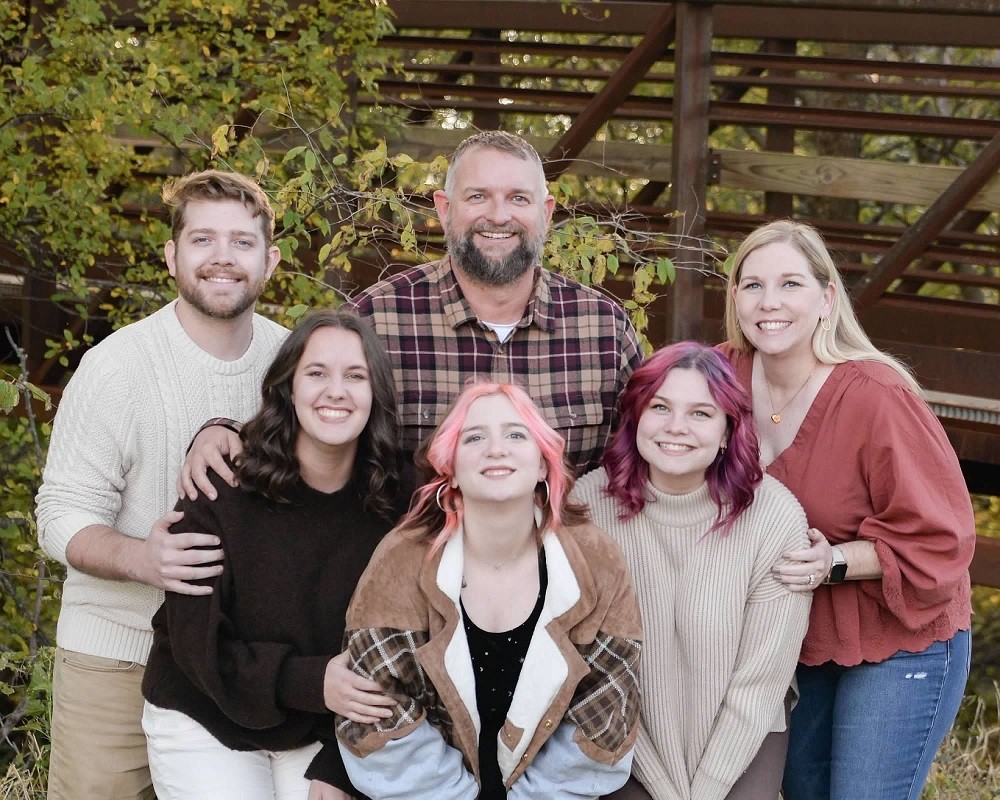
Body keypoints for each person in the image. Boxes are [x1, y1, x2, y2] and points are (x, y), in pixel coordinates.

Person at [178, 130, 642, 494]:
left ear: (546, 212)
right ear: (444, 209)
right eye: (477, 196)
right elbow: (301, 421)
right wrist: (224, 430)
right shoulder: (375, 321)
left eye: (518, 199)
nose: (498, 216)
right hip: (407, 587)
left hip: (565, 590)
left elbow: (646, 464)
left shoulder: (603, 329)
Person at [35, 169, 288, 799]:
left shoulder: (291, 368)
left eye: (242, 242)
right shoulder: (117, 367)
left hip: (235, 660)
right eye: (203, 240)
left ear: (271, 261)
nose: (222, 259)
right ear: (172, 255)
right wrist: (141, 557)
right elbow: (60, 514)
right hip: (114, 657)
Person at [720, 219, 974, 800]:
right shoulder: (720, 379)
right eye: (752, 285)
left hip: (898, 632)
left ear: (827, 298)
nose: (769, 302)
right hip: (791, 637)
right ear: (734, 297)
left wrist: (832, 560)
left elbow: (944, 539)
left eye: (789, 284)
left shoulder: (876, 395)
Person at [312, 382, 642, 800]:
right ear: (449, 465)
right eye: (474, 437)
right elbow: (378, 713)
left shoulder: (595, 561)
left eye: (516, 434)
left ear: (543, 464)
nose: (496, 448)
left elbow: (607, 713)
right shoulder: (401, 558)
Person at [140, 309, 401, 799]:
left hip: (325, 726)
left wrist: (343, 763)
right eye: (317, 373)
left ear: (375, 394)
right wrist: (305, 680)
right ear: (288, 387)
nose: (336, 391)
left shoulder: (398, 501)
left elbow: (410, 649)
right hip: (207, 711)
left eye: (355, 375)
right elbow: (197, 645)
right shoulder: (223, 485)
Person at [574, 342, 812, 800]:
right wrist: (662, 788)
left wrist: (705, 791)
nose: (676, 427)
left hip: (744, 732)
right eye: (660, 407)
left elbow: (761, 683)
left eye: (701, 413)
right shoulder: (587, 510)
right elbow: (588, 671)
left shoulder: (774, 518)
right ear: (636, 417)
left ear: (727, 431)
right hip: (622, 737)